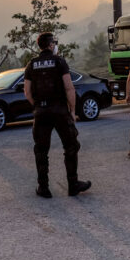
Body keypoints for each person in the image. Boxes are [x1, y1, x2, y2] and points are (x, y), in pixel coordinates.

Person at [24, 32, 91, 199]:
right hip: (60, 110)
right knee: (71, 146)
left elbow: (27, 92)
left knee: (41, 150)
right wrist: (72, 111)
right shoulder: (59, 62)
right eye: (54, 42)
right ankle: (73, 185)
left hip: (41, 112)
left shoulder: (31, 64)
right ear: (51, 45)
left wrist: (38, 106)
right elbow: (69, 88)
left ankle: (43, 188)